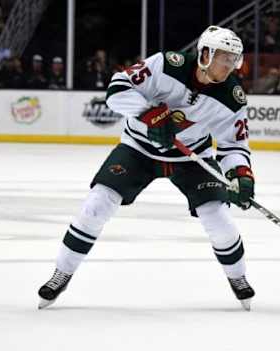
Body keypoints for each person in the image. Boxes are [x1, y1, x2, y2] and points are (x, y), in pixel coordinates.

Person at [38, 26, 256, 310]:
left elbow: (234, 146)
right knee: (96, 205)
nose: (229, 65)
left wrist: (241, 175)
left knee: (219, 219)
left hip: (191, 158)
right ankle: (62, 273)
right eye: (223, 57)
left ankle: (237, 277)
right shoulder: (167, 64)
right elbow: (117, 88)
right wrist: (149, 115)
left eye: (233, 59)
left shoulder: (232, 97)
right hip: (138, 148)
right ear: (205, 54)